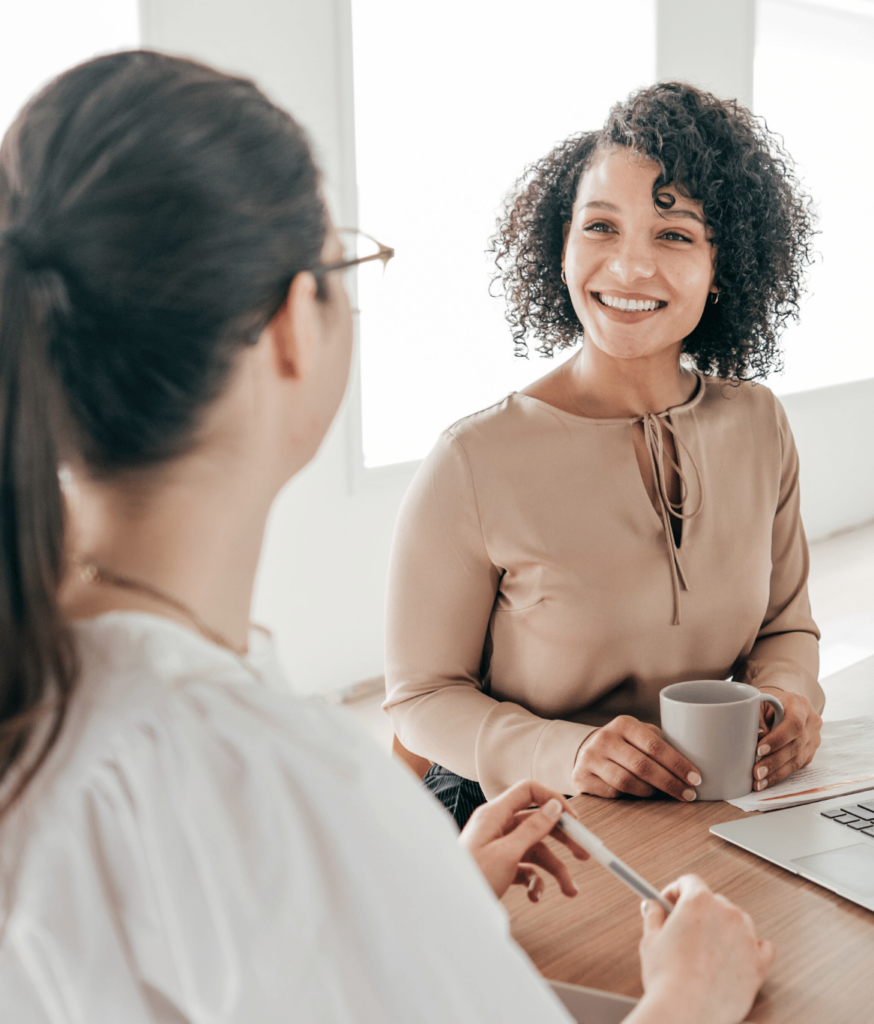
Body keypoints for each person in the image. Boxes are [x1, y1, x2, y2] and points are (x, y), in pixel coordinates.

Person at [0, 52, 774, 1023]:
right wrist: (692, 998)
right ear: (292, 326)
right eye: (342, 268)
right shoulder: (287, 782)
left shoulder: (58, 705)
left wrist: (427, 894)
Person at [385, 82, 826, 827]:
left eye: (674, 234)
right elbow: (420, 701)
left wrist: (790, 701)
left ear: (725, 268)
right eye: (599, 227)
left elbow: (786, 626)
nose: (628, 268)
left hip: (701, 812)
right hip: (521, 824)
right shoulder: (474, 459)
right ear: (560, 249)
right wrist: (568, 753)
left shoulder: (758, 424)